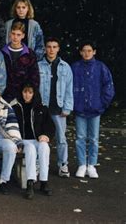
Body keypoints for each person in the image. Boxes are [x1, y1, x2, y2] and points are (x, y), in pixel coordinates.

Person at [72, 41, 115, 179]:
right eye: (84, 50)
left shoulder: (101, 67)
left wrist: (102, 104)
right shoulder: (75, 67)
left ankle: (92, 165)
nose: (86, 53)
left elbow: (108, 86)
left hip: (95, 109)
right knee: (80, 138)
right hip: (80, 109)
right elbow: (68, 86)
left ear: (94, 52)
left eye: (89, 50)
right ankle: (81, 164)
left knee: (94, 139)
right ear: (80, 52)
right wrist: (73, 103)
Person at [12, 83, 55, 199]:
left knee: (45, 147)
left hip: (37, 139)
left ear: (34, 93)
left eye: (30, 92)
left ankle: (44, 181)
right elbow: (11, 127)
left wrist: (46, 135)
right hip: (23, 140)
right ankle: (30, 182)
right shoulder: (15, 108)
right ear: (21, 93)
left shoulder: (42, 108)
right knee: (30, 149)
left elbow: (50, 126)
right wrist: (16, 141)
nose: (27, 95)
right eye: (25, 92)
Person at [38, 37, 74, 178]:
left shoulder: (65, 67)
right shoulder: (39, 65)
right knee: (39, 137)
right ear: (45, 48)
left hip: (58, 108)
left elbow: (69, 89)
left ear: (58, 49)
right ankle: (38, 164)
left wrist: (67, 107)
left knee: (61, 138)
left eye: (54, 47)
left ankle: (63, 164)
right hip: (43, 107)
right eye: (49, 46)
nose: (51, 49)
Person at [1, 21, 40, 102]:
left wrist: (30, 95)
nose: (15, 37)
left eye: (18, 35)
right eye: (13, 34)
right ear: (10, 34)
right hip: (4, 96)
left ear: (23, 36)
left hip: (23, 97)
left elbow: (34, 77)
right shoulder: (1, 53)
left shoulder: (29, 53)